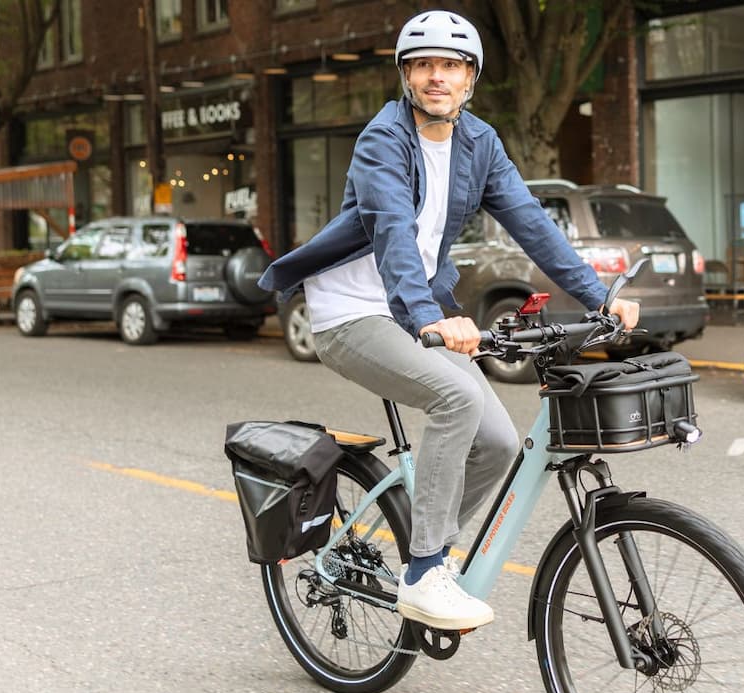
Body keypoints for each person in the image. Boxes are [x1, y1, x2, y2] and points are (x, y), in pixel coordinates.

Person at [259, 9, 639, 631]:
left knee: (495, 443)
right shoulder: (382, 140)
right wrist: (432, 317)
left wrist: (597, 297)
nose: (437, 77)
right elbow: (394, 235)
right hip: (351, 314)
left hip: (413, 311)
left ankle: (420, 545)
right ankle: (424, 572)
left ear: (470, 79)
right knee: (456, 400)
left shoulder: (478, 142)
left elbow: (532, 224)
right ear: (407, 76)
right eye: (424, 65)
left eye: (451, 66)